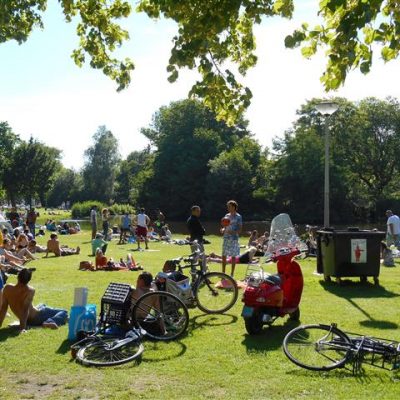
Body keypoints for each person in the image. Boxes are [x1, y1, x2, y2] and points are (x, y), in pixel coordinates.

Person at [0, 268, 68, 331]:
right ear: (29, 280)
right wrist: (22, 328)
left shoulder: (7, 288)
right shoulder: (30, 290)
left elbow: (4, 308)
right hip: (36, 318)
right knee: (64, 312)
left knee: (42, 305)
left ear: (18, 277)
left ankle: (44, 310)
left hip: (27, 318)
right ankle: (49, 322)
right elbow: (25, 309)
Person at [221, 200, 242, 277]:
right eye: (227, 206)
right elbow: (224, 226)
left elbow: (240, 229)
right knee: (224, 255)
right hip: (226, 238)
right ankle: (223, 273)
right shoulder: (226, 215)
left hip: (234, 238)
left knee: (233, 256)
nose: (228, 208)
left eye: (229, 206)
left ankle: (232, 274)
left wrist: (233, 232)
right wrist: (223, 230)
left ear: (234, 207)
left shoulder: (238, 217)